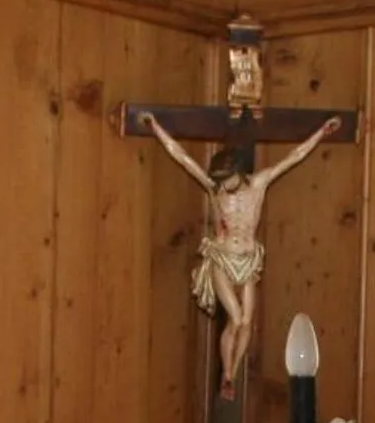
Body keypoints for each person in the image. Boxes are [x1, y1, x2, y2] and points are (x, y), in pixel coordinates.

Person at [140, 111, 343, 398]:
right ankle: (226, 373)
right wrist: (155, 126)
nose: (223, 185)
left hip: (248, 260)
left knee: (247, 322)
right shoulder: (214, 189)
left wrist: (322, 132)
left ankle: (232, 373)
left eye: (227, 179)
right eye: (219, 180)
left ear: (239, 172)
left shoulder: (258, 184)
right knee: (234, 319)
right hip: (223, 258)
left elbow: (294, 156)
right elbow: (181, 156)